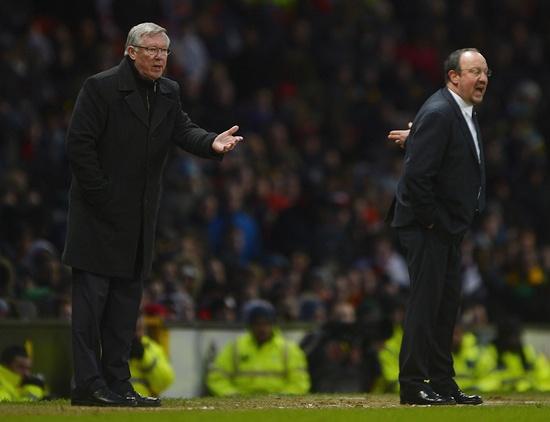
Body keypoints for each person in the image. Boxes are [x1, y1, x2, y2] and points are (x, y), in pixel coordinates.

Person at [63, 22, 243, 407]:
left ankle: (118, 384)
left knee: (125, 310)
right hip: (98, 218)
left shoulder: (168, 92)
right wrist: (103, 198)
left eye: (164, 51)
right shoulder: (101, 87)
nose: (160, 57)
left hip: (139, 220)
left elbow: (183, 129)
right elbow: (79, 146)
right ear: (130, 52)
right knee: (91, 310)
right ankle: (88, 385)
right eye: (152, 50)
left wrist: (211, 142)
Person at [387, 48, 489, 405]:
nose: (482, 79)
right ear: (453, 76)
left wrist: (414, 138)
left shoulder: (458, 111)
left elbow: (439, 154)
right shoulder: (440, 111)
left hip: (447, 228)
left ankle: (443, 382)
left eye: (485, 72)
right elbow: (417, 179)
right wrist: (433, 221)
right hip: (428, 226)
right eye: (474, 71)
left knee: (445, 307)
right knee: (425, 304)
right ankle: (412, 383)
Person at [206, 300, 310, 396]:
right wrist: (233, 396)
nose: (262, 328)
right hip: (242, 406)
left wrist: (280, 399)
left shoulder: (289, 350)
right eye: (257, 324)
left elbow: (299, 382)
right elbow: (217, 378)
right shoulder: (235, 348)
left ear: (273, 324)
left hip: (278, 406)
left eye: (266, 324)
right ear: (250, 325)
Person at [129, 316, 175, 398]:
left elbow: (165, 381)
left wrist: (144, 357)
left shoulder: (152, 347)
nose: (135, 333)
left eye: (138, 329)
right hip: (116, 398)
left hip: (144, 399)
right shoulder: (109, 346)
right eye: (132, 329)